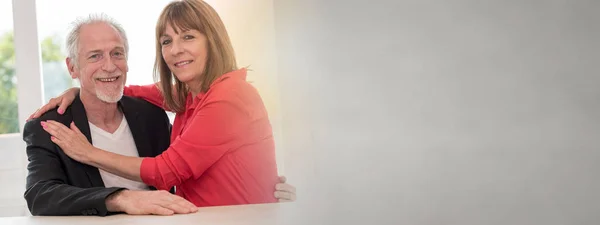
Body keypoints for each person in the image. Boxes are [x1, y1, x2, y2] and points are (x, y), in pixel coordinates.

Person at [30, 0, 296, 209]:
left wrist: (89, 153)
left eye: (188, 37)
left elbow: (166, 171)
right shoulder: (187, 95)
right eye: (167, 41)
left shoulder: (229, 96)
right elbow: (123, 86)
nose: (176, 49)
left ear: (212, 41)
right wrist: (82, 86)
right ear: (72, 65)